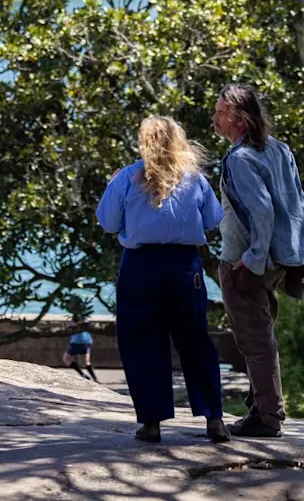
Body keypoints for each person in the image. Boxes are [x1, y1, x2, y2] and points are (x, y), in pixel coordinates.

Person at [96, 115, 230, 445]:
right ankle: (214, 419)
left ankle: (153, 423)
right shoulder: (194, 178)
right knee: (195, 338)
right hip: (185, 266)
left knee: (142, 341)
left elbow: (108, 223)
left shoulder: (127, 177)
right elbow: (213, 219)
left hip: (140, 265)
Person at [213, 84, 304, 439]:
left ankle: (268, 416)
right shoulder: (279, 149)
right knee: (262, 333)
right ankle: (260, 405)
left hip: (247, 263)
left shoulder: (239, 160)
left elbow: (263, 211)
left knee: (254, 339)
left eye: (221, 112)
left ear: (238, 119)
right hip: (280, 261)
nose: (215, 117)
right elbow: (298, 204)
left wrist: (250, 261)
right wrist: (303, 253)